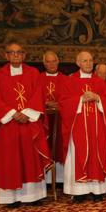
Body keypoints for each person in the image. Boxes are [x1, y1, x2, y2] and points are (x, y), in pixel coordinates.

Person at [0, 42, 51, 206]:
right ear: (6, 56)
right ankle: (11, 198)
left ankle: (33, 196)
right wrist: (12, 113)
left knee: (30, 158)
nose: (16, 55)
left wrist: (27, 113)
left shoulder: (33, 73)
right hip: (8, 125)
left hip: (29, 123)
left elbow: (39, 95)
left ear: (24, 55)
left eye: (19, 52)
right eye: (12, 53)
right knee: (10, 160)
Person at [58, 51, 106, 202]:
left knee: (97, 155)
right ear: (78, 63)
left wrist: (98, 98)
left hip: (97, 129)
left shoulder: (100, 82)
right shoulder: (69, 81)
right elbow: (63, 103)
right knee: (78, 155)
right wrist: (80, 99)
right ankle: (79, 192)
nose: (88, 63)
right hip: (78, 128)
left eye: (90, 60)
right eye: (85, 61)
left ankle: (97, 191)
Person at [38, 51, 66, 181]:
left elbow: (70, 98)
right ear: (44, 63)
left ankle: (60, 179)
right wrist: (44, 103)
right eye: (48, 61)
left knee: (60, 145)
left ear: (58, 62)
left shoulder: (66, 80)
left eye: (54, 61)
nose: (51, 64)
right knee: (44, 145)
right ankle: (46, 179)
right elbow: (32, 97)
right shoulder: (38, 78)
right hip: (43, 120)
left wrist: (60, 104)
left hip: (61, 119)